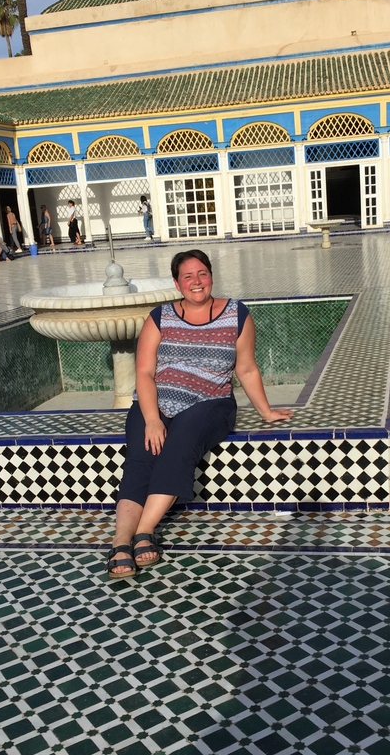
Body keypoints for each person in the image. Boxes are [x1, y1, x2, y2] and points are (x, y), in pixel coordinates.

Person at [107, 248, 293, 578]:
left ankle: (143, 532)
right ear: (178, 284)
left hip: (210, 403)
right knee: (140, 458)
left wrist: (265, 412)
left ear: (211, 277)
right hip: (156, 401)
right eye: (188, 276)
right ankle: (121, 541)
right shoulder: (159, 317)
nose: (197, 282)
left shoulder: (236, 314)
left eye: (202, 274)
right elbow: (145, 372)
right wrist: (151, 418)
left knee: (180, 443)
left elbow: (247, 368)